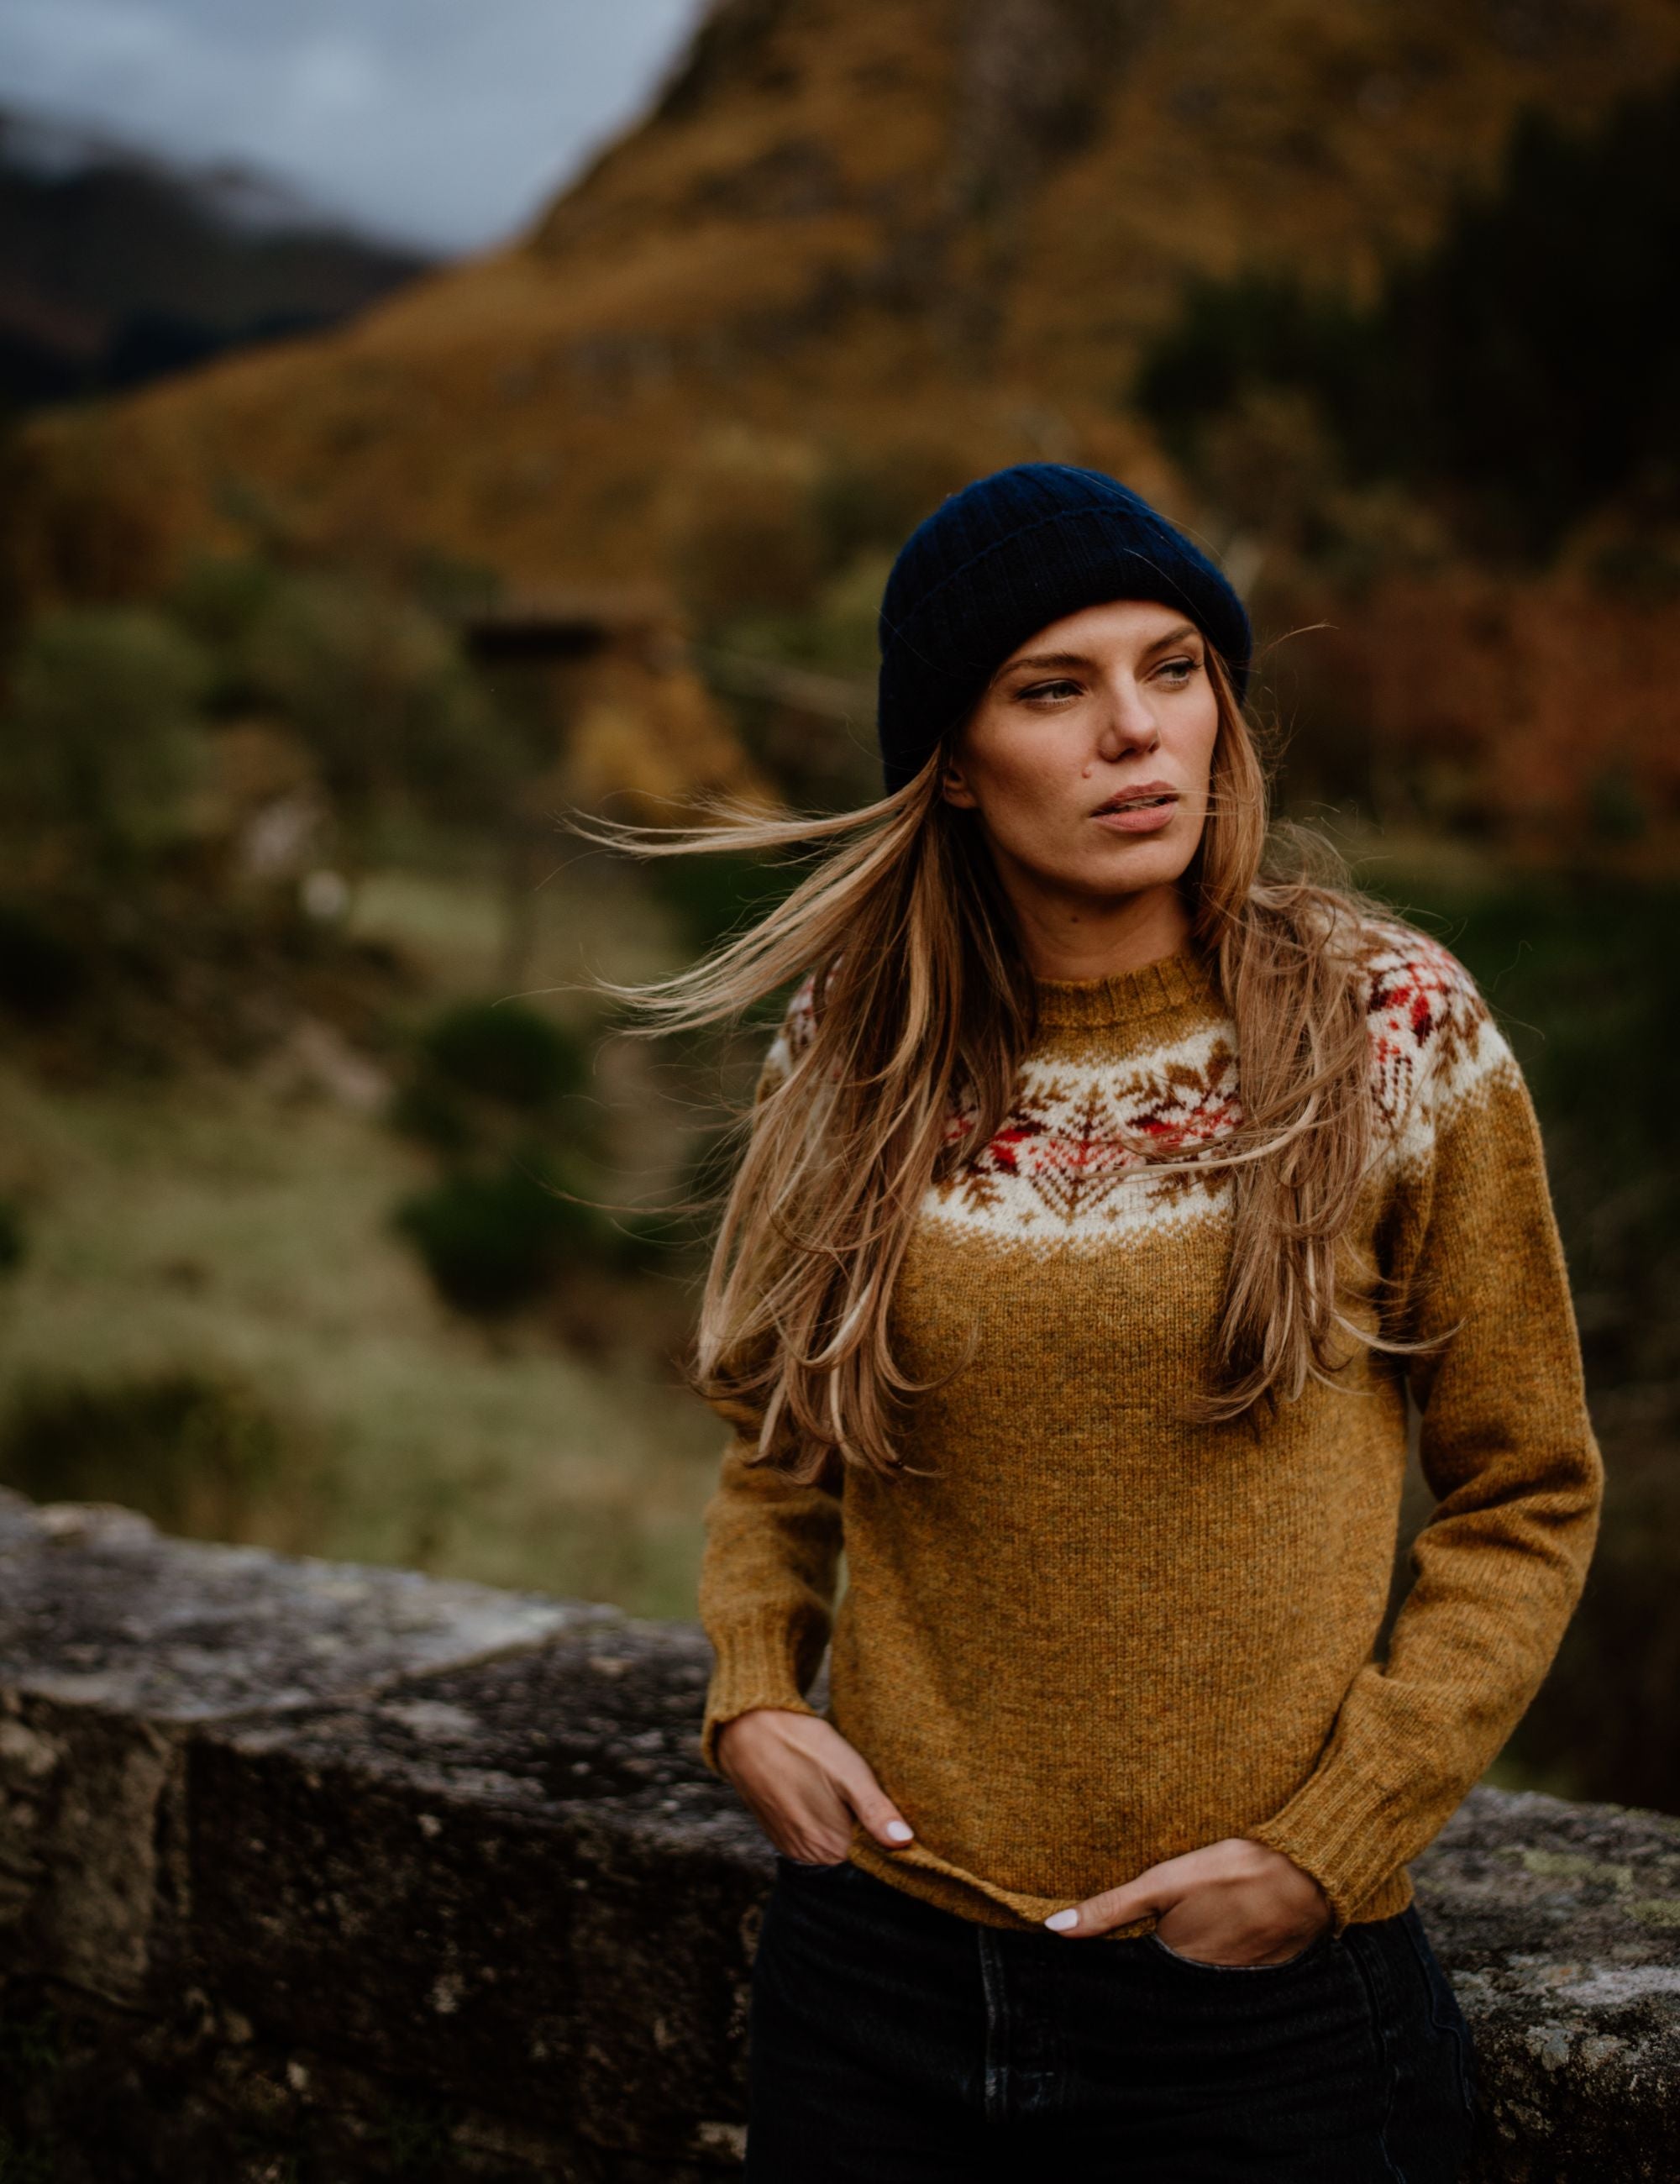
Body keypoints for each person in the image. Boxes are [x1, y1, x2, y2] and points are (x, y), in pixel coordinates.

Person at [601, 464, 1603, 2180]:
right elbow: (779, 1442)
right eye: (1052, 690)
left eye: (1172, 668)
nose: (1134, 733)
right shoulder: (853, 1047)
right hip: (880, 1990)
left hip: (1266, 2025)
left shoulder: (1388, 1023)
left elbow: (1525, 1491)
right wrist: (756, 1685)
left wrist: (1328, 1844)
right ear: (958, 767)